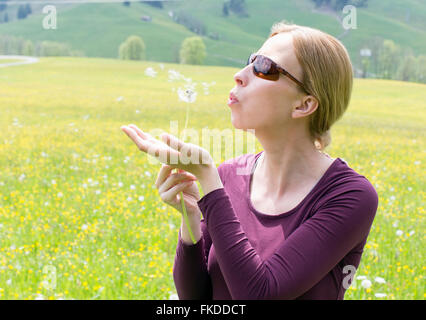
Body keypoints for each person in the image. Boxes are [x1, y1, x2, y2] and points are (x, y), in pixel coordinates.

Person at [122, 21, 378, 300]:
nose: (239, 76)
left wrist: (209, 179)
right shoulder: (228, 176)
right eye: (250, 61)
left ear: (304, 104)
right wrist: (191, 218)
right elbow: (196, 298)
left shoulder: (349, 196)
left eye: (265, 67)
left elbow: (262, 293)